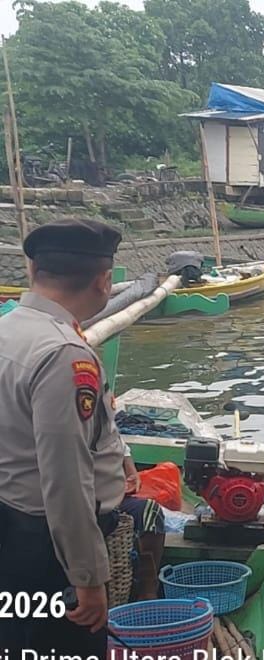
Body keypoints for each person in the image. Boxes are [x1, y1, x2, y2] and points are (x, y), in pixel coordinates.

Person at [0, 218, 127, 657]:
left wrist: (120, 453)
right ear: (104, 282)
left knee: (19, 639)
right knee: (63, 647)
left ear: (33, 272)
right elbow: (66, 481)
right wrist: (88, 578)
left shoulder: (10, 330)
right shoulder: (62, 354)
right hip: (47, 548)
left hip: (12, 525)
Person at [117, 446, 166, 601]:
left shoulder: (106, 426)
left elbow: (122, 450)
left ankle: (148, 590)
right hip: (82, 500)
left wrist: (132, 477)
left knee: (150, 511)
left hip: (113, 497)